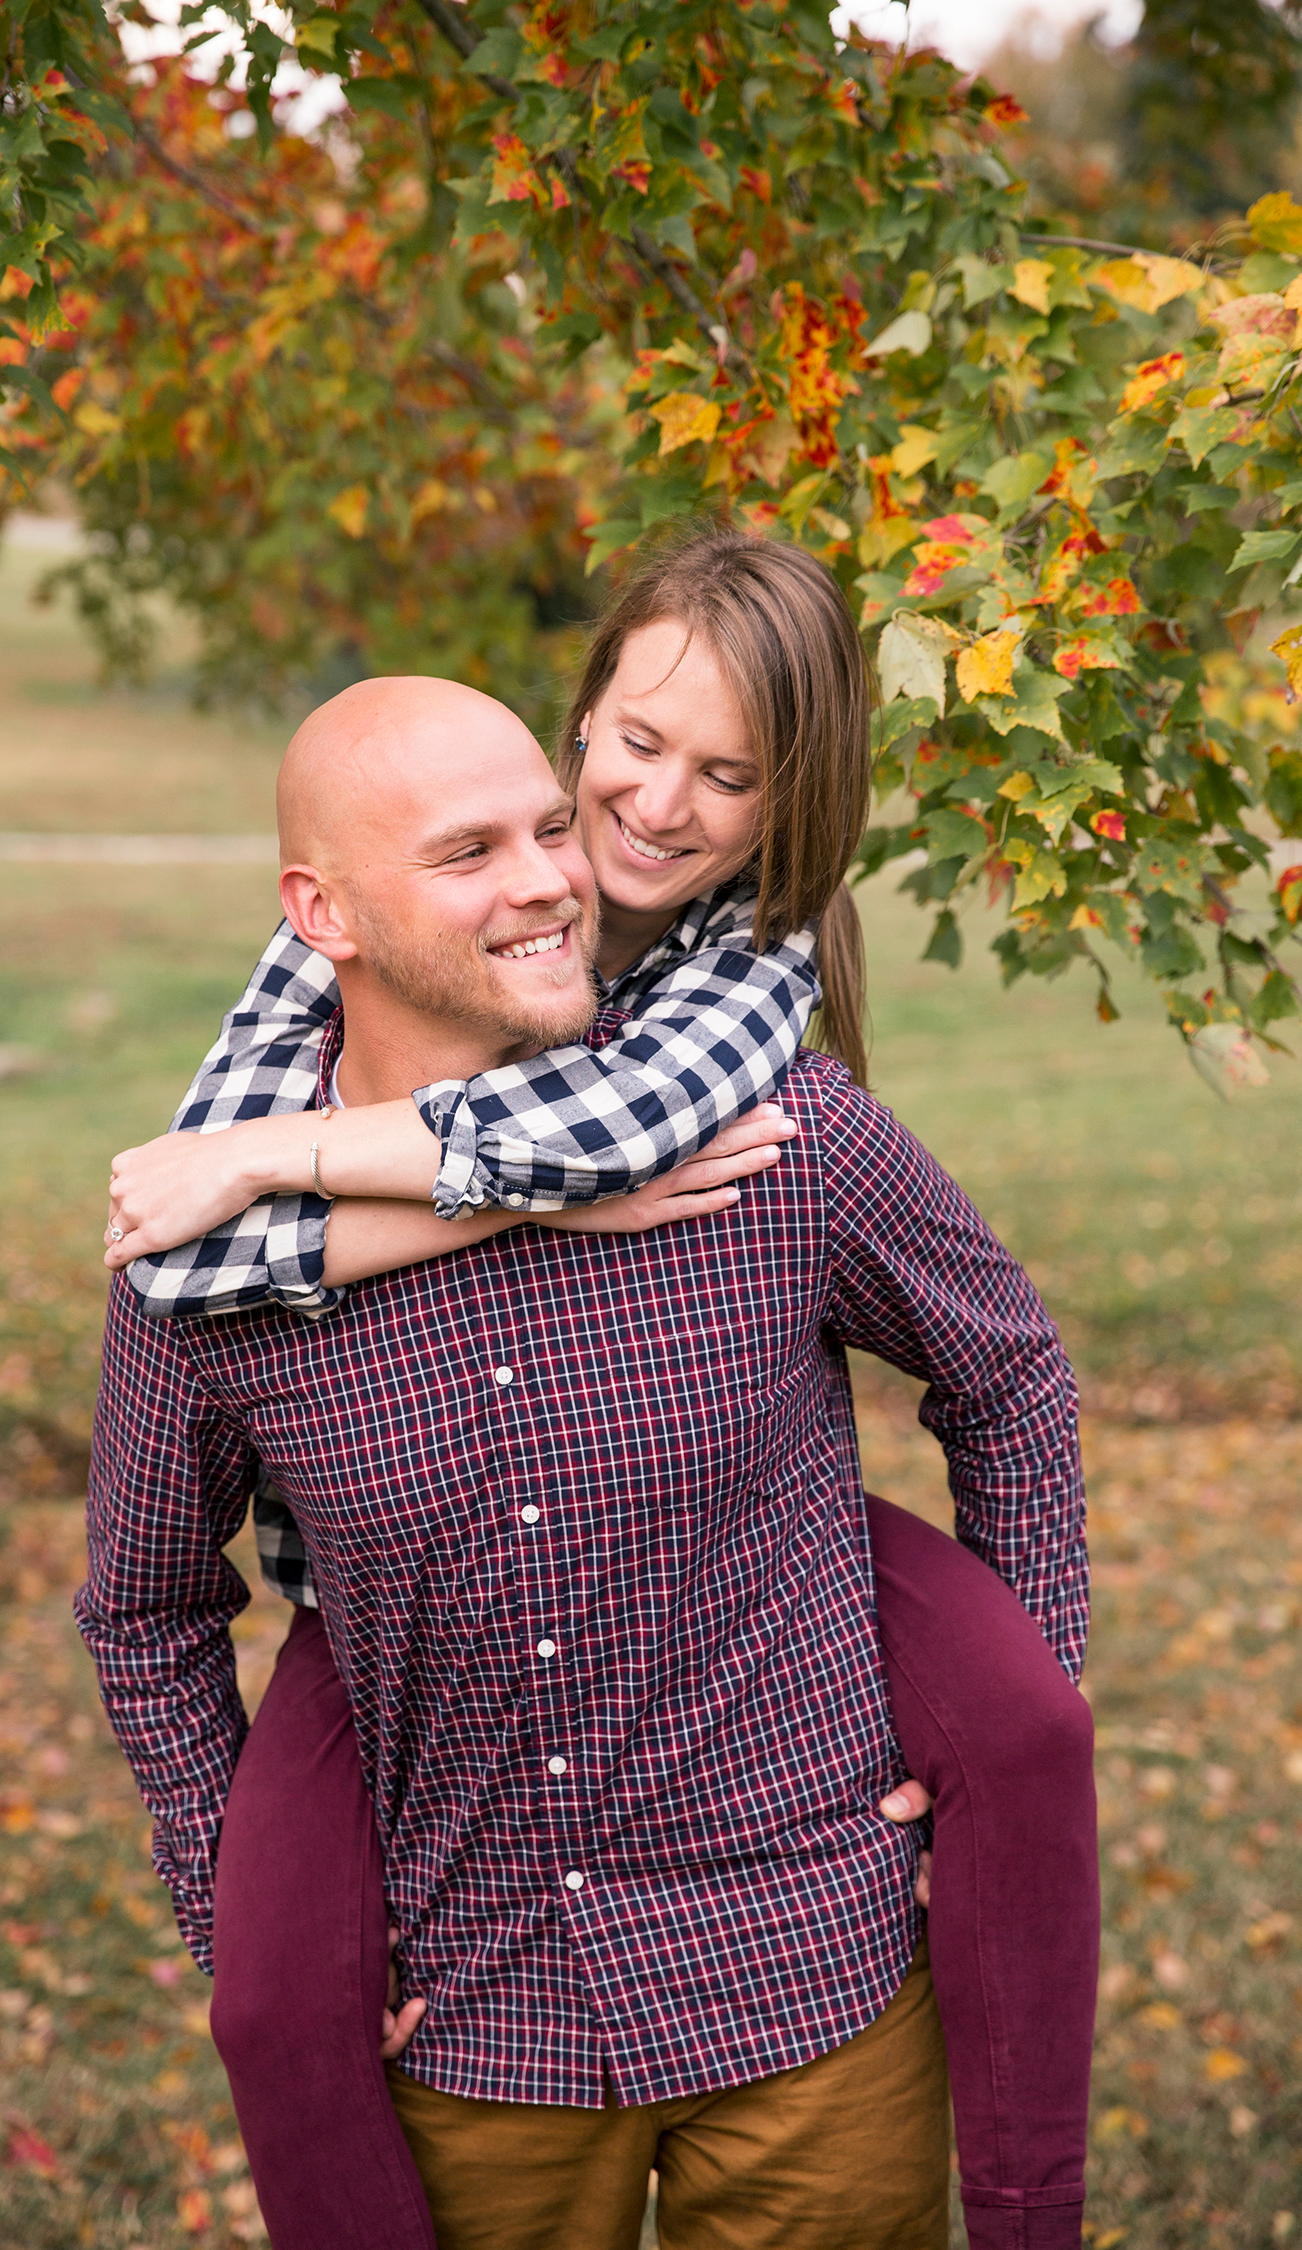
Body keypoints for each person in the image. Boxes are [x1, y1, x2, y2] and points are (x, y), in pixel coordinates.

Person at [80, 549, 1094, 2250]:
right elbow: (144, 1612)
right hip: (470, 2022)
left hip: (813, 1983)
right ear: (320, 914)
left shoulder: (761, 1130)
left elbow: (1008, 1373)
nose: (568, 870)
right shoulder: (218, 1254)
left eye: (551, 830)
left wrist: (994, 1749)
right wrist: (258, 1928)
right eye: (476, 850)